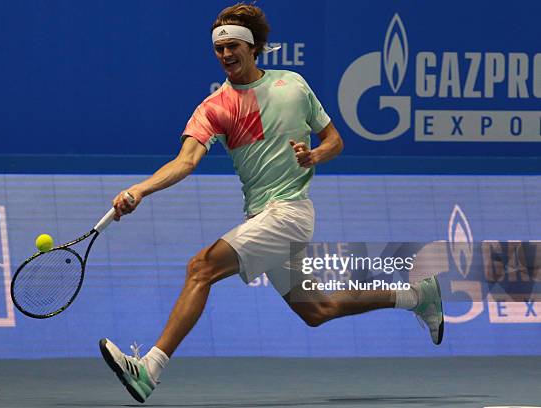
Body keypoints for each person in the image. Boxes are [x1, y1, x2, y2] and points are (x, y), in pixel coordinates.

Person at [99, 3, 443, 403]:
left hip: (291, 212)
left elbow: (335, 140)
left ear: (253, 47)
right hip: (261, 215)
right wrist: (140, 189)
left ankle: (150, 369)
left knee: (201, 268)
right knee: (319, 310)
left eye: (233, 46)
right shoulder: (214, 108)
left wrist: (315, 155)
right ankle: (418, 296)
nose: (225, 54)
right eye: (219, 48)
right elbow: (186, 161)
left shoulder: (293, 85)